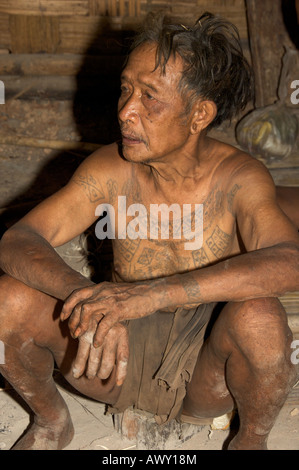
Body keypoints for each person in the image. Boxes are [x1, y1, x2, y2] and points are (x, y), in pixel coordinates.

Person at [0, 12, 298, 451]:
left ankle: (250, 440)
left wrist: (151, 295)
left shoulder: (239, 178)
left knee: (260, 317)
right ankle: (51, 421)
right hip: (111, 355)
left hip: (205, 366)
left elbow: (291, 261)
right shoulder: (109, 169)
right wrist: (87, 297)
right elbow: (18, 239)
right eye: (125, 89)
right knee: (7, 299)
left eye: (149, 97)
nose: (126, 111)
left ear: (199, 115)